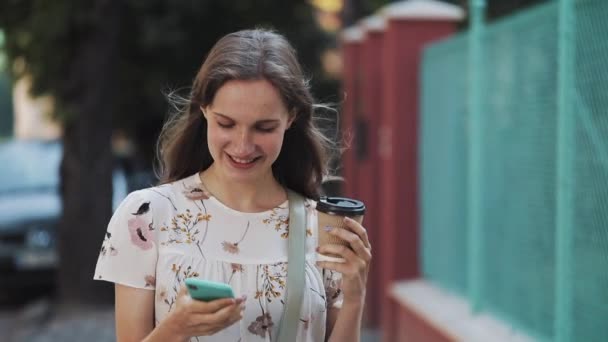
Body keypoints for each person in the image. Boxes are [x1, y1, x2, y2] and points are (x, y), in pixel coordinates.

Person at [94, 28, 372, 342]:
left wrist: (355, 298)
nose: (242, 145)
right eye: (226, 123)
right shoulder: (146, 215)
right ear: (204, 110)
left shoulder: (320, 226)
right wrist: (175, 330)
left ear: (291, 118)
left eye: (264, 127)